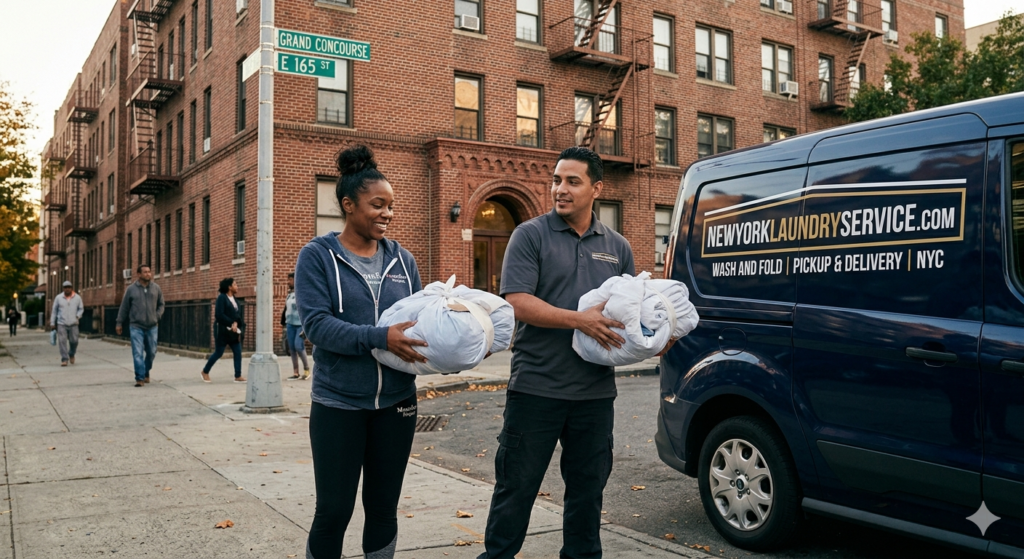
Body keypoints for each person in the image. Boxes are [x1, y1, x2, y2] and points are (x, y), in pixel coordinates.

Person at [477, 147, 674, 559]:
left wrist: (655, 338)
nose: (559, 189)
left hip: (594, 394)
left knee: (587, 495)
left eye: (572, 181)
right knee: (516, 489)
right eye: (556, 180)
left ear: (596, 188)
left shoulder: (616, 247)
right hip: (536, 388)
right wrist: (578, 319)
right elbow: (516, 301)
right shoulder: (530, 235)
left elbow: (628, 309)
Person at [295, 145, 428, 559]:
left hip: (397, 402)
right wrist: (378, 337)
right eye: (377, 205)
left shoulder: (403, 260)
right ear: (348, 205)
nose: (387, 213)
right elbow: (317, 326)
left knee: (383, 508)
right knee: (334, 510)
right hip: (339, 402)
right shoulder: (317, 257)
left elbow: (420, 317)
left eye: (391, 206)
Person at [116, 265, 164, 387]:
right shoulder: (131, 289)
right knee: (137, 352)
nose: (148, 274)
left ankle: (145, 371)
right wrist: (119, 322)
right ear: (138, 274)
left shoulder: (156, 288)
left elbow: (161, 304)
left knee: (152, 352)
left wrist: (156, 316)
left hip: (152, 326)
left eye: (149, 272)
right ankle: (140, 378)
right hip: (136, 326)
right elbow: (124, 307)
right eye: (145, 272)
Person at [201, 278, 246, 383]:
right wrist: (231, 323)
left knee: (238, 352)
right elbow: (219, 315)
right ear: (229, 287)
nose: (237, 286)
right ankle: (205, 371)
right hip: (222, 331)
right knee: (219, 352)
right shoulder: (222, 298)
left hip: (233, 332)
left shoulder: (235, 300)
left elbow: (238, 315)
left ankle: (238, 375)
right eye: (235, 284)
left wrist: (236, 324)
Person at [283, 272, 310, 380]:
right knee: (292, 348)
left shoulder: (302, 294)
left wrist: (305, 327)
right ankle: (295, 372)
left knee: (299, 346)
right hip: (290, 324)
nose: (288, 282)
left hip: (300, 324)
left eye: (290, 280)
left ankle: (307, 370)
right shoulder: (289, 295)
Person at [50, 281, 84, 367]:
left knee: (74, 341)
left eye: (69, 287)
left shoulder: (77, 298)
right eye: (65, 287)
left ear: (72, 288)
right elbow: (54, 311)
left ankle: (71, 353)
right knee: (62, 341)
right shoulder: (58, 298)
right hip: (62, 323)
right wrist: (52, 323)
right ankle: (64, 359)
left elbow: (81, 309)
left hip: (74, 323)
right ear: (63, 288)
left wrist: (77, 316)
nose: (67, 289)